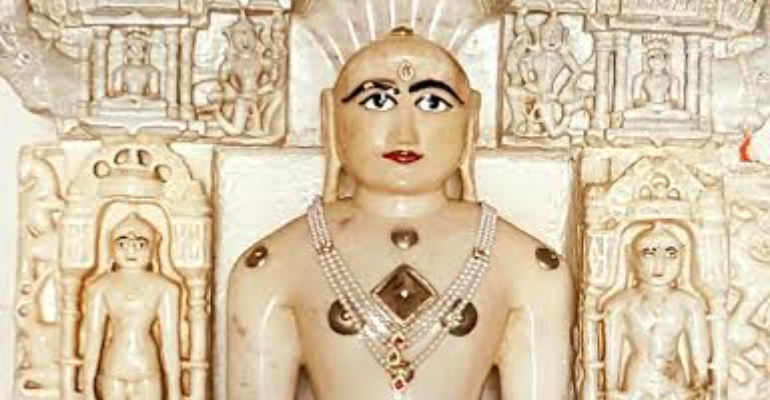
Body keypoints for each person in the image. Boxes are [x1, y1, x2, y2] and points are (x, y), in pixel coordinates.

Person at [228, 28, 575, 400]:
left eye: (432, 103)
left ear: (470, 119)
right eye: (377, 101)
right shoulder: (274, 266)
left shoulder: (526, 268)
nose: (404, 134)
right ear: (330, 116)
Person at [81, 213, 181, 400]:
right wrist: (87, 385)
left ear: (154, 247)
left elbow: (170, 343)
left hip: (147, 370)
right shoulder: (100, 287)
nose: (131, 251)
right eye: (122, 244)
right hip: (114, 369)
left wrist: (175, 389)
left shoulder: (166, 288)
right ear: (111, 248)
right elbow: (93, 337)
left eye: (140, 244)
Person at [604, 224, 710, 400]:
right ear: (631, 256)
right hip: (638, 380)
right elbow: (612, 352)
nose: (659, 265)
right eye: (648, 254)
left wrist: (701, 382)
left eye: (671, 255)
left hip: (674, 380)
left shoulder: (689, 304)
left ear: (683, 256)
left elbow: (699, 352)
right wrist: (611, 387)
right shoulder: (620, 304)